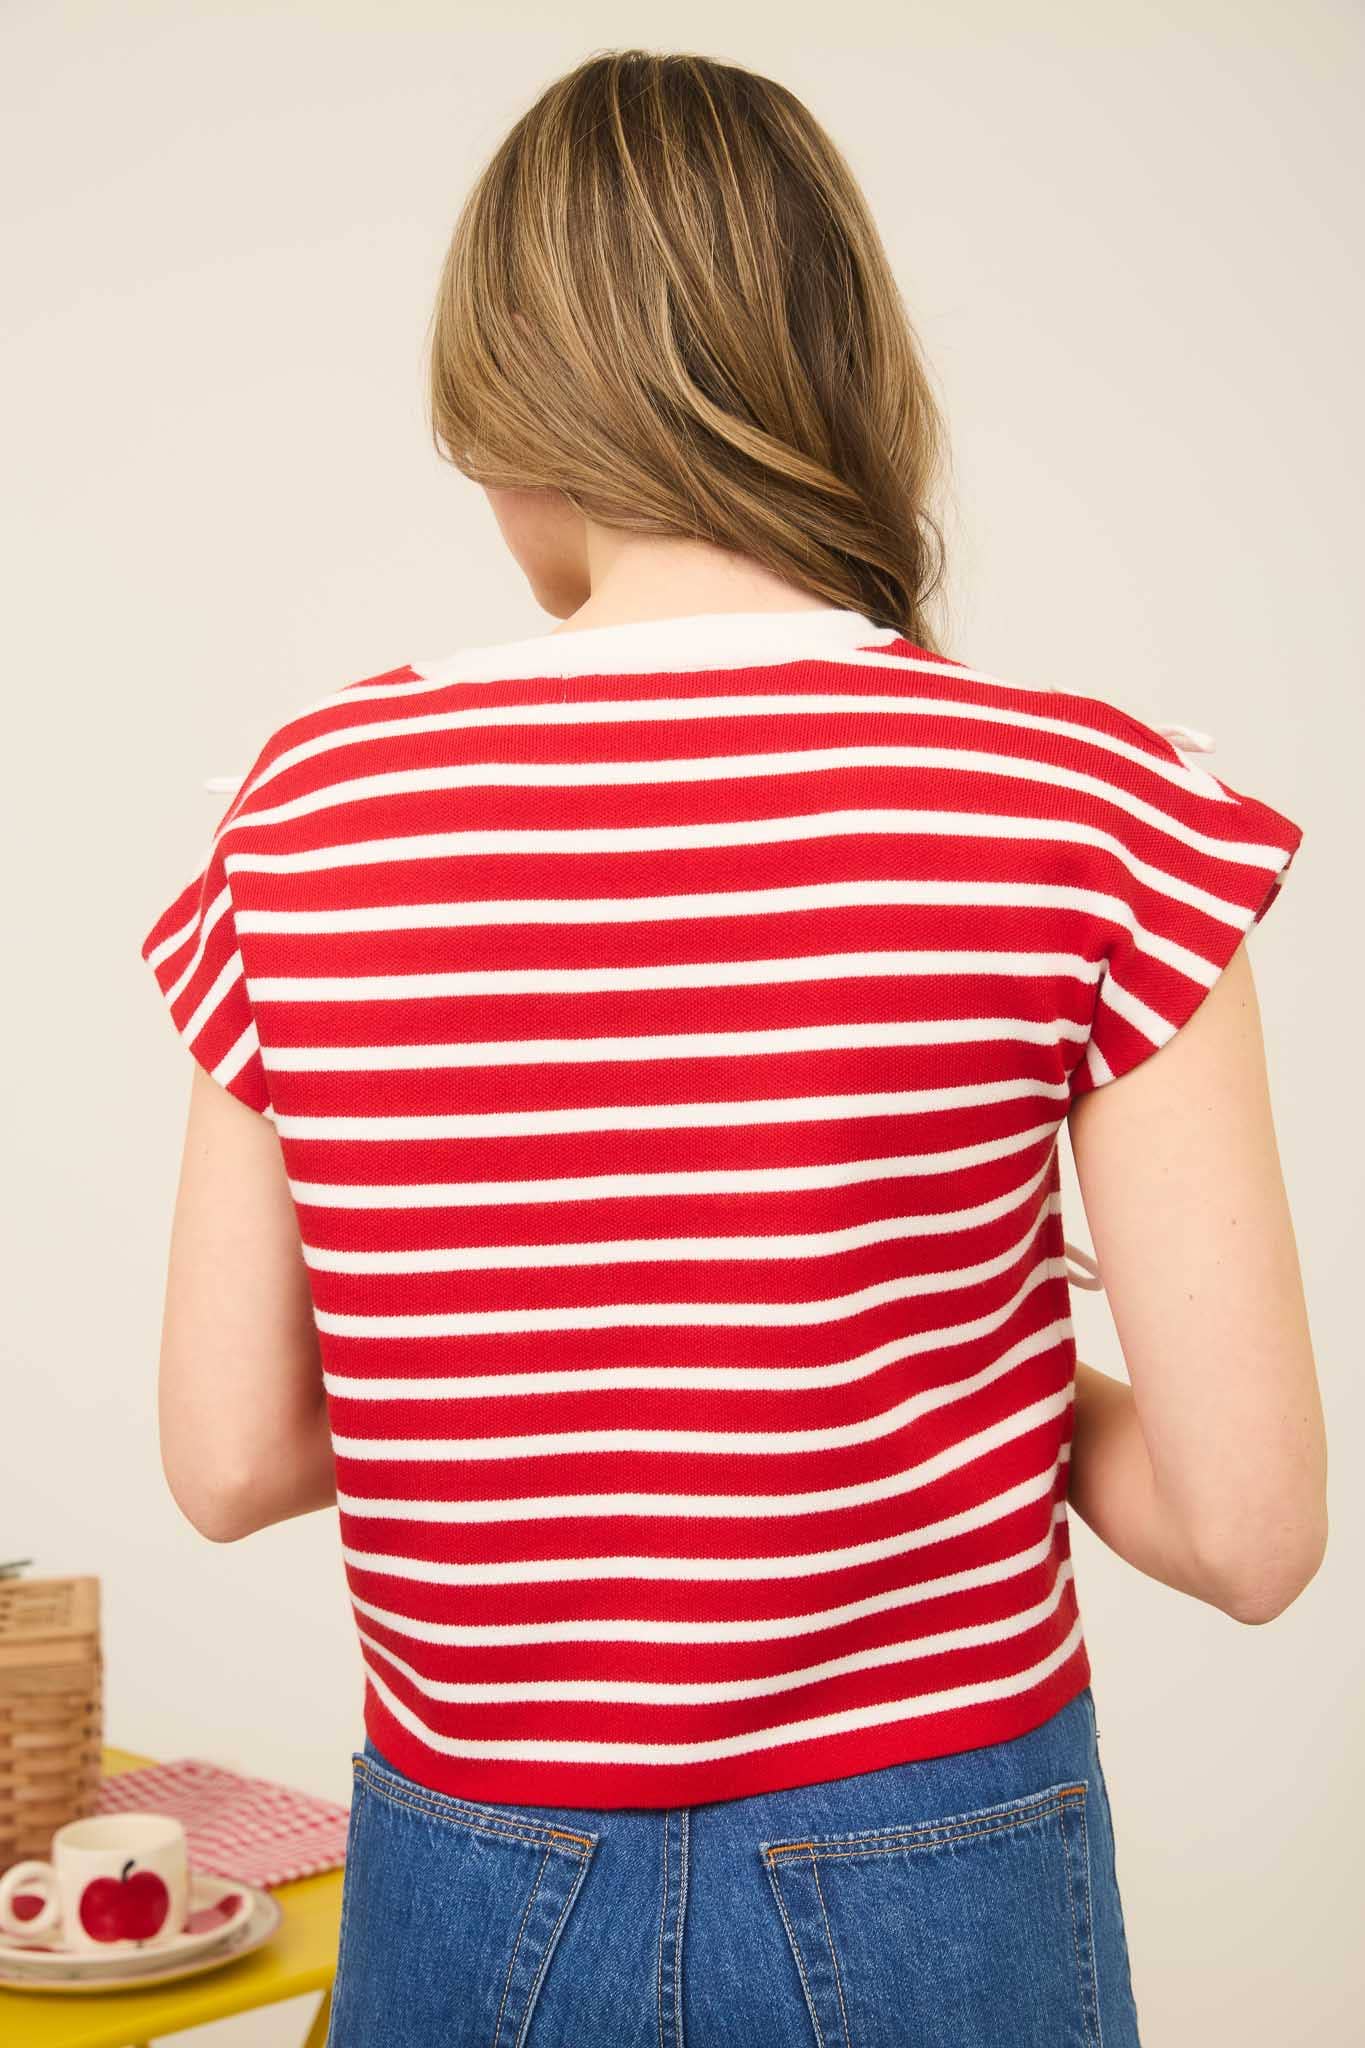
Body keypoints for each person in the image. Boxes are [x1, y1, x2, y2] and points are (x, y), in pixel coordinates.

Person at [139, 48, 1326, 2048]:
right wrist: (927, 1364)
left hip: (473, 1865)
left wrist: (553, 1385)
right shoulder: (1087, 801)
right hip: (936, 1860)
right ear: (841, 376)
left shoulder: (315, 811)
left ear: (506, 402)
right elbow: (1247, 1529)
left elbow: (232, 1453)